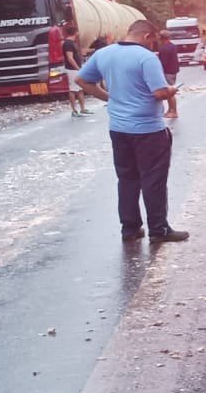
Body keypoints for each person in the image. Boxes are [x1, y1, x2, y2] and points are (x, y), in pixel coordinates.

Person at [76, 19, 188, 243]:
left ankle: (130, 229)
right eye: (153, 41)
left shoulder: (103, 54)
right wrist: (171, 90)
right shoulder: (146, 58)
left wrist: (109, 98)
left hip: (119, 129)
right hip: (148, 130)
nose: (153, 46)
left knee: (127, 179)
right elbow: (158, 93)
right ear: (147, 36)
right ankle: (159, 229)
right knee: (153, 179)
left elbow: (82, 80)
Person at [61, 23, 89, 117]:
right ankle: (74, 110)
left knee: (80, 89)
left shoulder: (72, 43)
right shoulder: (68, 43)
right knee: (73, 90)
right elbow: (70, 58)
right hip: (72, 70)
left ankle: (83, 109)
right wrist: (77, 68)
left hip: (76, 69)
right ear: (75, 32)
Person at [157, 34, 181, 118]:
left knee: (169, 92)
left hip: (167, 73)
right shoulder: (172, 46)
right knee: (170, 91)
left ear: (161, 39)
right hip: (173, 72)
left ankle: (174, 111)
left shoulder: (164, 49)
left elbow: (163, 63)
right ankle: (170, 110)